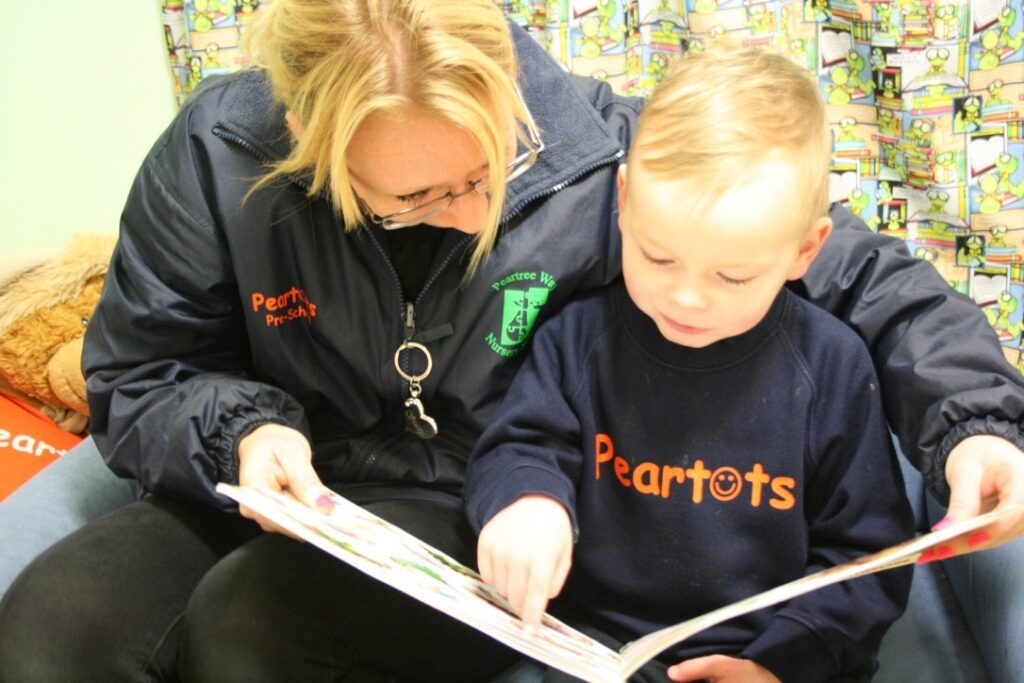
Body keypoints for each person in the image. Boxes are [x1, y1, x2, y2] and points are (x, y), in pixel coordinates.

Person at [0, 0, 1021, 680]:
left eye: (488, 166)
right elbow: (141, 370)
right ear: (308, 142)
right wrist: (242, 436)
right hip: (272, 486)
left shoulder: (600, 157)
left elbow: (858, 276)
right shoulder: (216, 156)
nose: (470, 204)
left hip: (462, 495)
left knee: (250, 622)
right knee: (54, 620)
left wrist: (975, 426)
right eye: (416, 194)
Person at [466, 47, 916, 683]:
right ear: (623, 202)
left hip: (767, 656)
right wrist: (526, 502)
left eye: (732, 276)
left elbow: (867, 558)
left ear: (805, 249)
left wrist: (783, 662)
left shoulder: (833, 368)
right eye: (657, 257)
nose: (685, 298)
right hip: (587, 647)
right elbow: (519, 445)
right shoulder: (577, 337)